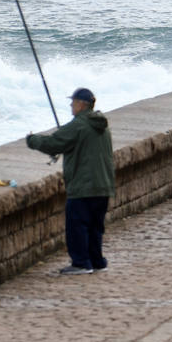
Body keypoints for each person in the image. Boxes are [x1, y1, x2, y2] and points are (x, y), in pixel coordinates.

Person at [26, 87, 115, 275]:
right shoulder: (101, 125)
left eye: (73, 102)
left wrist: (32, 140)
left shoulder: (79, 125)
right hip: (103, 186)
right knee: (95, 227)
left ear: (82, 105)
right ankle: (97, 261)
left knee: (78, 226)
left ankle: (81, 263)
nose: (71, 106)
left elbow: (54, 143)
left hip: (83, 186)